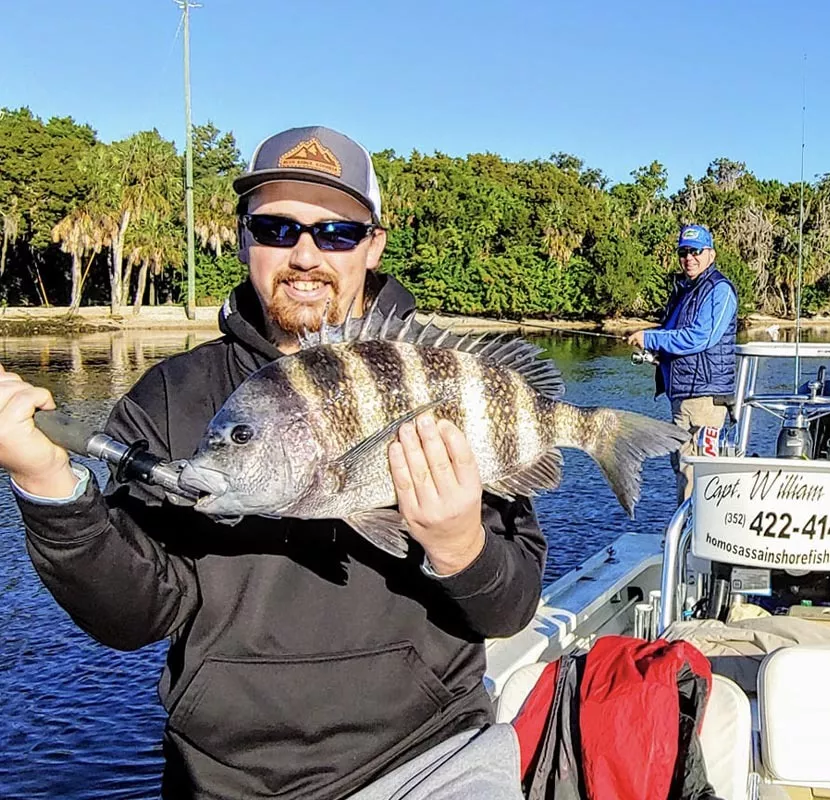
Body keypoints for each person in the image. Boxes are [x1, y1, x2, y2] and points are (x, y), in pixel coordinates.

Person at [0, 126, 544, 800]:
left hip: (433, 759)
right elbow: (132, 617)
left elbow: (511, 608)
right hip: (228, 781)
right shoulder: (174, 399)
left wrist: (461, 544)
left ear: (373, 245)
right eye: (277, 229)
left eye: (336, 233)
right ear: (243, 238)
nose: (306, 255)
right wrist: (47, 484)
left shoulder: (436, 380)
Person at [626, 224, 738, 504]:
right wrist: (655, 347)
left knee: (698, 468)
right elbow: (676, 334)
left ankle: (697, 536)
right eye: (683, 252)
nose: (689, 258)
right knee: (682, 465)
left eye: (696, 251)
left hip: (704, 400)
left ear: (710, 254)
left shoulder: (719, 290)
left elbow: (702, 337)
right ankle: (686, 533)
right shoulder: (687, 291)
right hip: (683, 396)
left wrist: (651, 338)